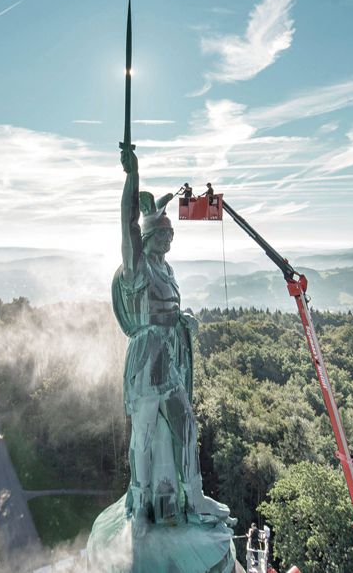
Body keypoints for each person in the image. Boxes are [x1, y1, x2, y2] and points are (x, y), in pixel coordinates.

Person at [115, 145, 213, 536]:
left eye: (171, 234)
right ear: (150, 236)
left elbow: (171, 313)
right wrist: (131, 177)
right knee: (143, 436)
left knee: (186, 425)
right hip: (144, 362)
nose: (169, 240)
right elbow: (127, 223)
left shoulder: (168, 271)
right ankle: (140, 505)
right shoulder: (137, 268)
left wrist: (182, 321)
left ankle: (195, 495)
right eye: (164, 234)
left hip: (167, 362)